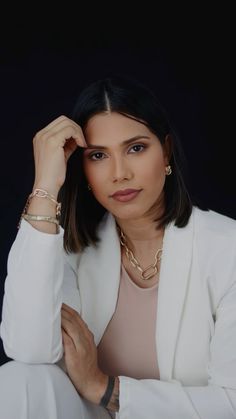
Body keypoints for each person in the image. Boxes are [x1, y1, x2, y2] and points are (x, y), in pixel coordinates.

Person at [0, 74, 236, 419]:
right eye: (98, 156)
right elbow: (28, 348)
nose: (119, 173)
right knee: (19, 378)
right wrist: (45, 185)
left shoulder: (227, 249)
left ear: (166, 151)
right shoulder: (75, 250)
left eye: (136, 148)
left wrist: (105, 388)